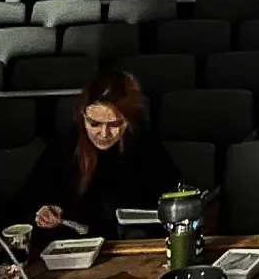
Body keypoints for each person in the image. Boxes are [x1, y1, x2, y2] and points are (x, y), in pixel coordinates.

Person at [20, 69, 183, 242]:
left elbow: (172, 205)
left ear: (129, 120)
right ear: (83, 115)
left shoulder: (147, 149)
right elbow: (29, 202)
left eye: (115, 124)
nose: (104, 134)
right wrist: (48, 211)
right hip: (74, 246)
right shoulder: (64, 147)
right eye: (94, 123)